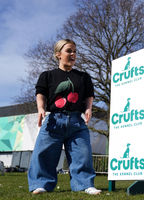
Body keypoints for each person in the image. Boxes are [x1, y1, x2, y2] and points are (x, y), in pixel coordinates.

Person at [27, 39, 101, 195]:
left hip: (76, 122)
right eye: (69, 51)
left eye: (75, 51)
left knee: (82, 153)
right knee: (44, 153)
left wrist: (88, 109)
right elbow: (40, 93)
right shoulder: (47, 76)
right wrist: (41, 108)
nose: (73, 54)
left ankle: (84, 184)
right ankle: (41, 184)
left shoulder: (83, 77)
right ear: (58, 54)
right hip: (54, 120)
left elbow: (89, 95)